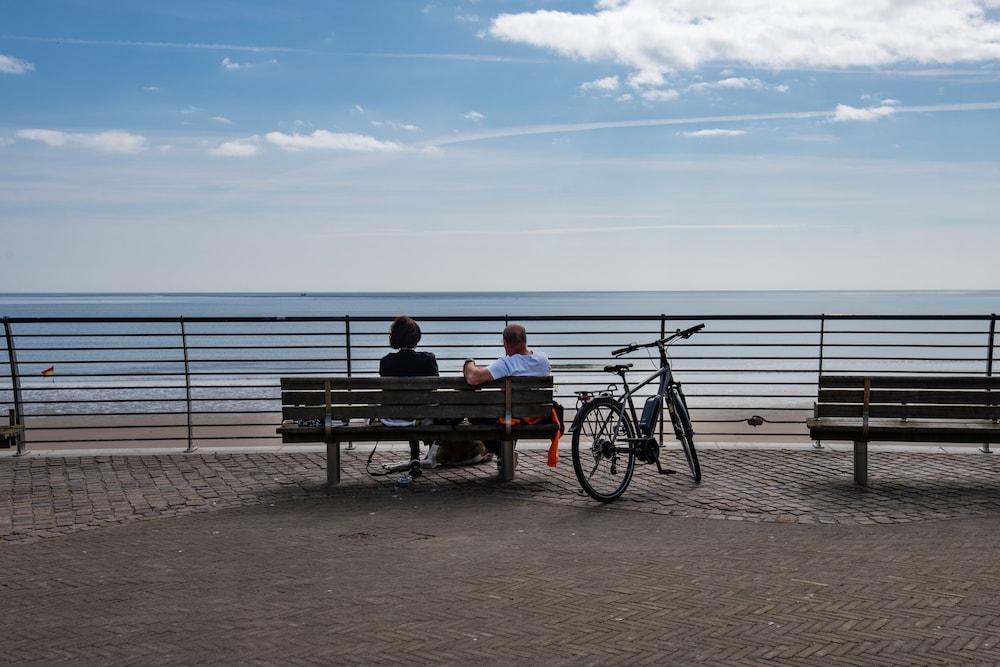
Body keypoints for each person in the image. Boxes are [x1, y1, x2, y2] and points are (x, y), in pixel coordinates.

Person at [463, 324, 561, 465]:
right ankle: (505, 456)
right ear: (525, 340)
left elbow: (473, 378)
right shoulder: (543, 359)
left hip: (510, 416)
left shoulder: (507, 364)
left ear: (506, 343)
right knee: (513, 411)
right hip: (535, 415)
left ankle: (504, 453)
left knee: (475, 415)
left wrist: (469, 363)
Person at [379, 315, 438, 460]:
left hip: (395, 416)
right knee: (422, 407)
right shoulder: (428, 360)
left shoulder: (386, 362)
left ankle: (414, 456)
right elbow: (434, 390)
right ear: (417, 338)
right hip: (423, 416)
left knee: (407, 407)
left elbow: (386, 392)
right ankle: (426, 455)